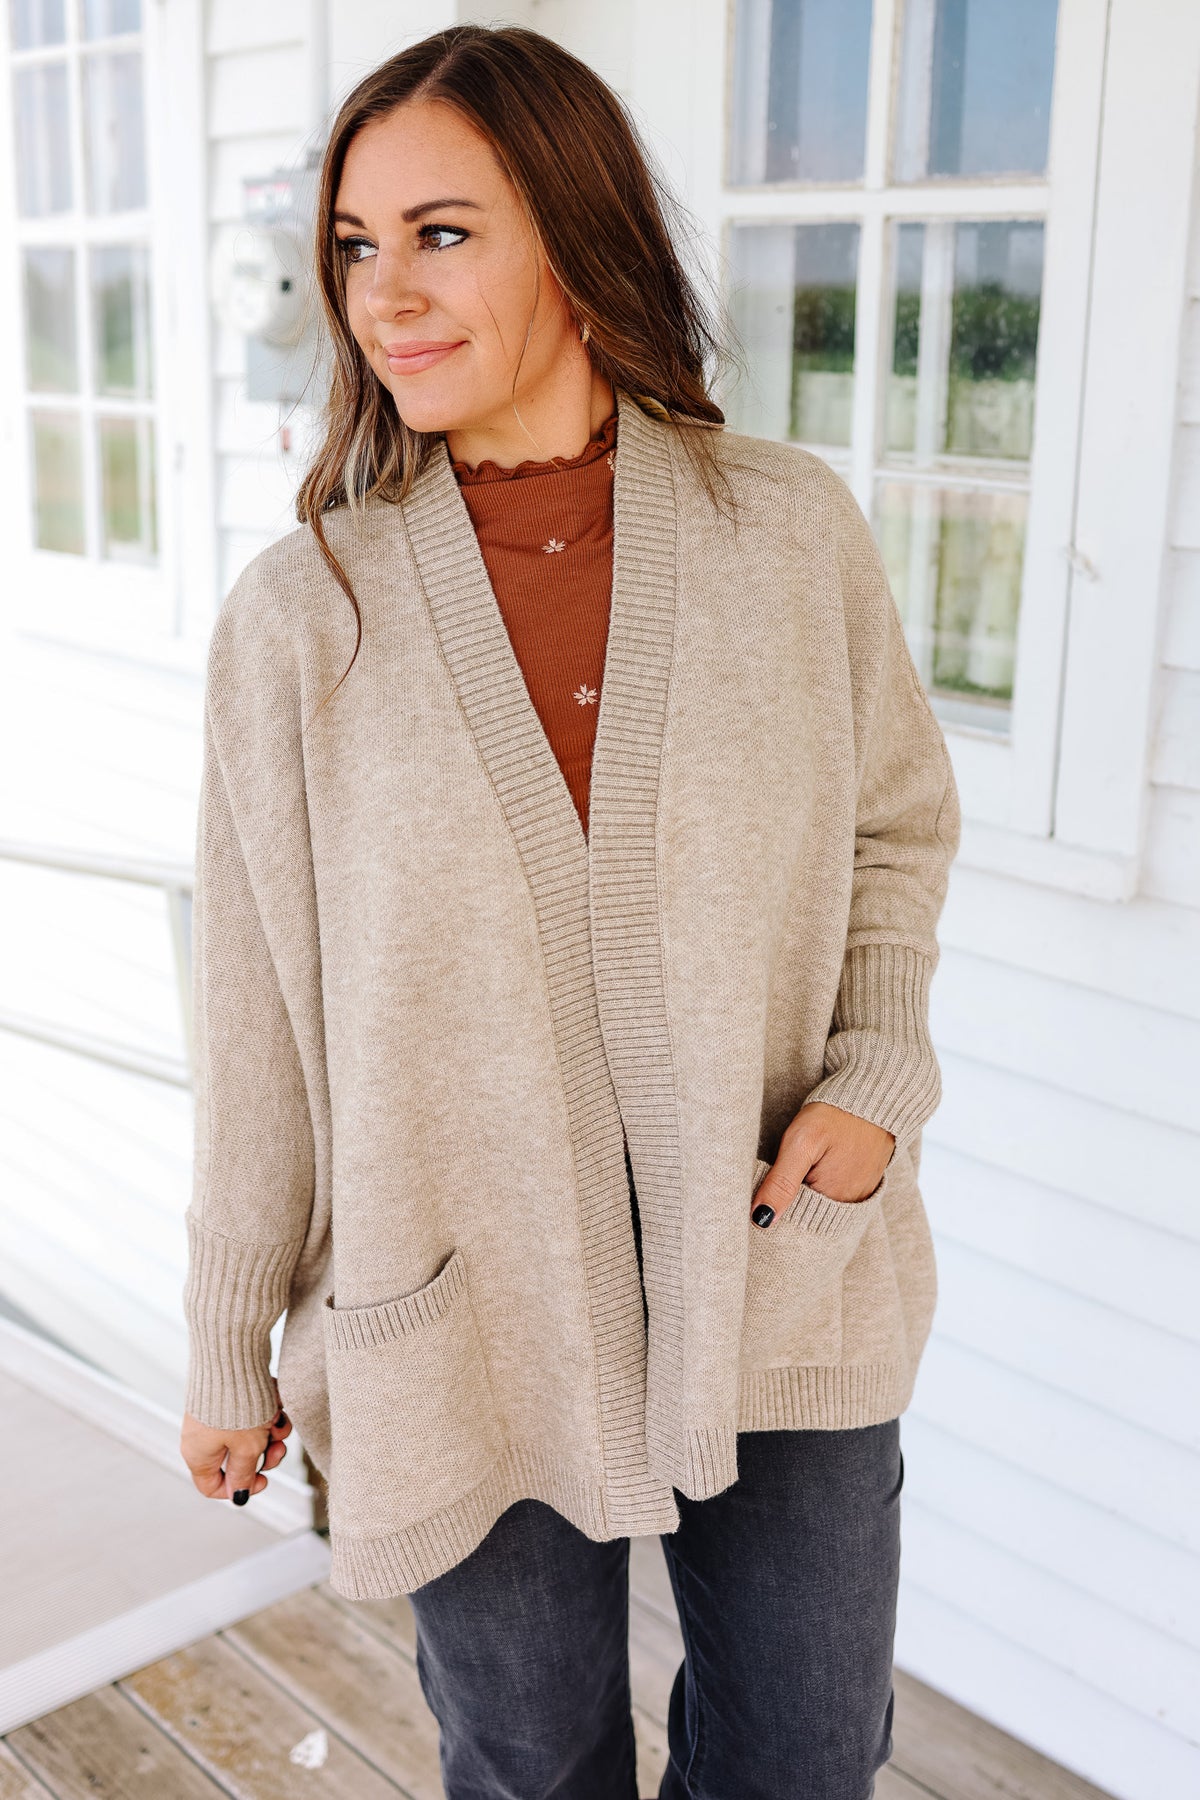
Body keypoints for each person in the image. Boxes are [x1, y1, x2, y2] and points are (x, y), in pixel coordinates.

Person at [179, 23, 961, 1799]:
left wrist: (874, 1082)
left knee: (805, 1759)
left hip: (780, 1262)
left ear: (578, 232)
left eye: (443, 233)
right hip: (459, 1307)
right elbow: (256, 1015)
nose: (386, 294)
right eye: (355, 247)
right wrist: (230, 1335)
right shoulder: (304, 620)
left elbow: (898, 829)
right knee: (531, 1769)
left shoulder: (787, 536)